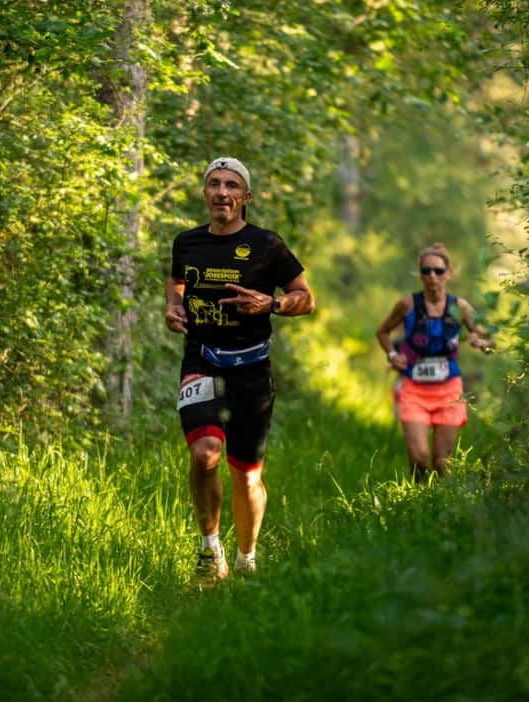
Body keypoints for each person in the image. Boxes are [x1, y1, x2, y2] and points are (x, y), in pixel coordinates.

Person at [165, 157, 315, 584]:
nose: (222, 192)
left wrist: (271, 304)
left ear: (245, 197)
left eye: (232, 185)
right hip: (201, 359)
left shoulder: (268, 245)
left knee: (246, 476)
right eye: (214, 184)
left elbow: (306, 297)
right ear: (205, 192)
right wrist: (173, 309)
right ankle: (210, 550)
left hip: (251, 368)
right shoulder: (187, 242)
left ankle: (247, 557)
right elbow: (177, 285)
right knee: (204, 454)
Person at [375, 243, 495, 481]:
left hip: (449, 391)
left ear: (448, 274)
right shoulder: (407, 304)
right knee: (419, 458)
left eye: (438, 271)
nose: (432, 276)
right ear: (420, 274)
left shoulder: (459, 307)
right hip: (414, 390)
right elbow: (382, 332)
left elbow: (490, 337)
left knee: (442, 463)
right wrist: (391, 355)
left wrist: (481, 342)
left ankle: (438, 507)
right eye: (426, 270)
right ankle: (414, 501)